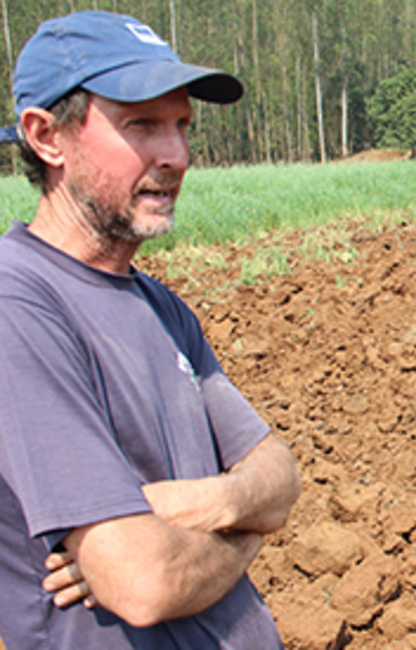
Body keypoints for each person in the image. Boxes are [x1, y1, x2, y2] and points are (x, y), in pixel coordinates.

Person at [0, 11, 302, 649]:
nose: (177, 156)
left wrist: (201, 505)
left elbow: (279, 477)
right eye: (142, 125)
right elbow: (144, 582)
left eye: (182, 126)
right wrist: (248, 531)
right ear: (46, 136)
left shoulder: (161, 307)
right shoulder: (18, 307)